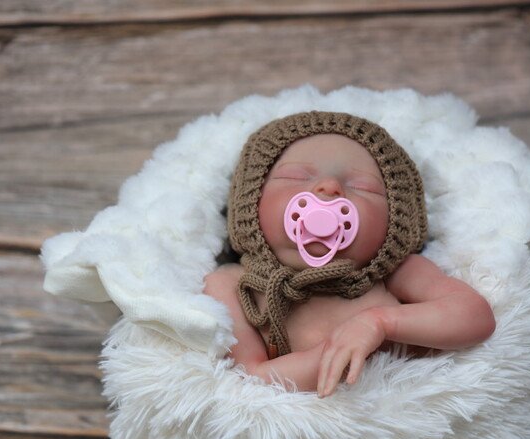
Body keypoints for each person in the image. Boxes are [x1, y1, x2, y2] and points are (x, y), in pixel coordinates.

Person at [203, 111, 495, 398]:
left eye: (363, 187)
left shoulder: (396, 272)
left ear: (395, 222)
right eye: (295, 176)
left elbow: (475, 317)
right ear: (249, 202)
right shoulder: (234, 285)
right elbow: (248, 380)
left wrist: (380, 325)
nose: (330, 187)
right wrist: (344, 351)